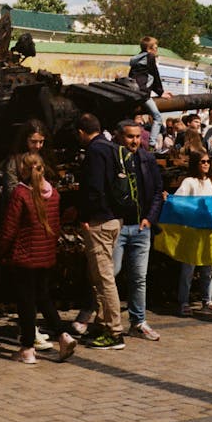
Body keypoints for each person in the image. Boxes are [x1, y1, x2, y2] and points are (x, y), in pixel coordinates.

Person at [0, 152, 76, 365]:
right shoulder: (54, 193)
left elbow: (10, 228)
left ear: (23, 169)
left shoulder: (21, 193)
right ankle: (62, 334)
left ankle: (28, 348)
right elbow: (56, 226)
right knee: (42, 297)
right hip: (46, 254)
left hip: (25, 255)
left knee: (26, 302)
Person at [110, 119, 164, 341]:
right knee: (109, 274)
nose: (134, 141)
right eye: (129, 137)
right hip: (119, 226)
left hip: (141, 227)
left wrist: (150, 219)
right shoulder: (113, 159)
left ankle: (138, 321)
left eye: (137, 137)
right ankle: (98, 318)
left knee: (139, 277)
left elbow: (158, 190)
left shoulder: (147, 158)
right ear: (120, 137)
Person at [75, 113, 125, 349]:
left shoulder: (94, 152)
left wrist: (84, 216)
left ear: (81, 132)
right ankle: (102, 323)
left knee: (104, 278)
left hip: (99, 221)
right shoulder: (112, 147)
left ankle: (114, 331)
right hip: (114, 219)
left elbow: (94, 188)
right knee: (100, 276)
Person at [174, 151, 212, 316]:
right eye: (202, 161)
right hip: (192, 231)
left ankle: (207, 300)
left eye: (208, 161)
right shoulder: (189, 182)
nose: (206, 164)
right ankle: (183, 301)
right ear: (196, 163)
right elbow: (178, 201)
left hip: (207, 231)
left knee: (207, 269)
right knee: (188, 269)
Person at [128, 36, 172, 149]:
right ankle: (151, 144)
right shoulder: (150, 57)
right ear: (149, 49)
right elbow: (154, 74)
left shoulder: (137, 59)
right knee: (157, 117)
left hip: (133, 91)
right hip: (143, 93)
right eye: (155, 47)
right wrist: (160, 92)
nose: (156, 49)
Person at [0, 119, 57, 199]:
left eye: (41, 142)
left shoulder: (45, 156)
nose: (38, 146)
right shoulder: (14, 161)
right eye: (33, 142)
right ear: (25, 140)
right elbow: (11, 191)